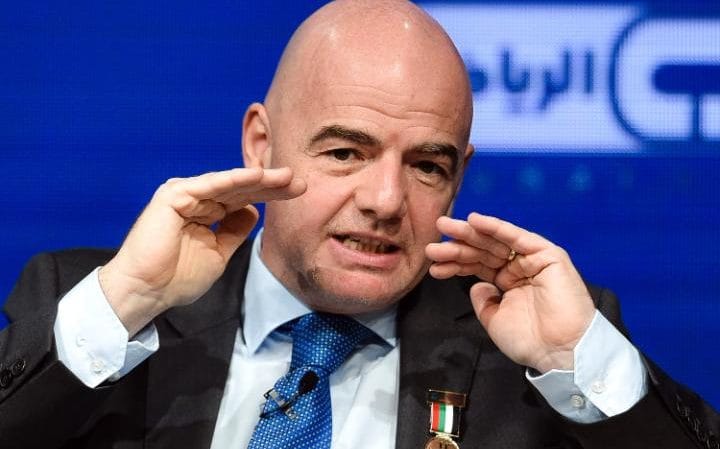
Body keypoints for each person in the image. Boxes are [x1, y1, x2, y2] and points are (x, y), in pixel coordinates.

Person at [0, 0, 717, 448]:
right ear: (261, 145)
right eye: (346, 152)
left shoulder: (532, 359)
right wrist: (127, 301)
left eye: (427, 166)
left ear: (459, 175)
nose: (385, 199)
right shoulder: (97, 309)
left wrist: (581, 362)